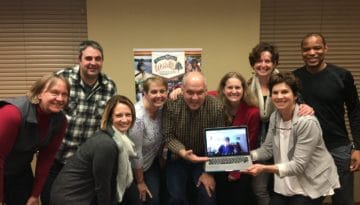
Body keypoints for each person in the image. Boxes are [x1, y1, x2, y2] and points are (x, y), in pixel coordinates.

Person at [245, 72, 340, 205]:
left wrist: (264, 168)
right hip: (286, 183)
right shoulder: (275, 117)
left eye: (285, 92)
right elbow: (267, 149)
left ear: (295, 95)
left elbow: (298, 166)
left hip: (310, 183)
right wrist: (245, 156)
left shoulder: (307, 122)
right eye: (275, 92)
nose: (279, 97)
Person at [41, 40, 117, 204]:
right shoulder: (62, 78)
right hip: (57, 158)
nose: (93, 63)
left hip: (86, 165)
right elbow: (45, 110)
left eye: (98, 59)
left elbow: (108, 123)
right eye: (88, 58)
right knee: (50, 200)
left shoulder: (109, 86)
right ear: (79, 59)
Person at [293, 33, 360, 205]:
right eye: (307, 49)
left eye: (317, 48)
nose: (312, 52)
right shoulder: (295, 78)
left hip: (339, 148)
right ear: (302, 52)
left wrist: (358, 148)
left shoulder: (342, 75)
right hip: (309, 149)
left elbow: (355, 111)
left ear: (325, 49)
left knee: (343, 200)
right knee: (307, 200)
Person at [50, 95, 136, 205]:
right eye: (119, 115)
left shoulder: (117, 137)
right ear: (110, 117)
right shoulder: (106, 144)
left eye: (128, 115)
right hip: (71, 198)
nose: (124, 120)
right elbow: (102, 186)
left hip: (77, 195)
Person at [0, 73, 69, 205]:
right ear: (39, 94)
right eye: (54, 92)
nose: (60, 98)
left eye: (64, 94)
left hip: (19, 171)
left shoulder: (60, 121)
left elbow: (46, 159)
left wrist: (35, 194)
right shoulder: (12, 114)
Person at [161, 71, 227, 205]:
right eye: (190, 92)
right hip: (177, 158)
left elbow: (218, 142)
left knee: (208, 197)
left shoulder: (217, 107)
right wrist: (183, 152)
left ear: (206, 91)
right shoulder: (171, 105)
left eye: (200, 92)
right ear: (182, 90)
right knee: (176, 198)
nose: (195, 97)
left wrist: (209, 173)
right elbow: (168, 136)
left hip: (203, 159)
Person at [214, 71, 260, 205]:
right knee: (221, 199)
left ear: (244, 89)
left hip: (242, 166)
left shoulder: (253, 112)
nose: (233, 91)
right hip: (220, 164)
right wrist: (177, 91)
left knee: (239, 199)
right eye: (229, 87)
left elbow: (249, 144)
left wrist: (236, 172)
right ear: (223, 89)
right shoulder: (217, 106)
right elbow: (199, 93)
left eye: (237, 87)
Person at [125, 76, 168, 205]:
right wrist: (140, 182)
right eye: (154, 92)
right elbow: (135, 154)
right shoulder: (137, 117)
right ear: (145, 93)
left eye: (162, 91)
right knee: (140, 200)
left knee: (155, 200)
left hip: (150, 164)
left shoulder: (162, 109)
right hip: (132, 169)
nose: (159, 95)